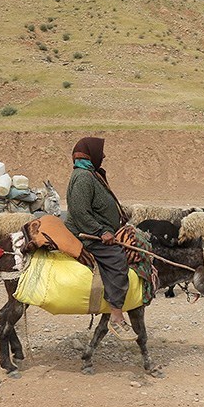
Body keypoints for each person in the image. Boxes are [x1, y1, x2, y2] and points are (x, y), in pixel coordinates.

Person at [64, 137, 137, 341]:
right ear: (91, 154)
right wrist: (100, 232)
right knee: (116, 259)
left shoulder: (91, 175)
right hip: (86, 235)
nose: (103, 156)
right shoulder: (83, 178)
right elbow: (79, 212)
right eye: (100, 152)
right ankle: (115, 314)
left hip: (99, 231)